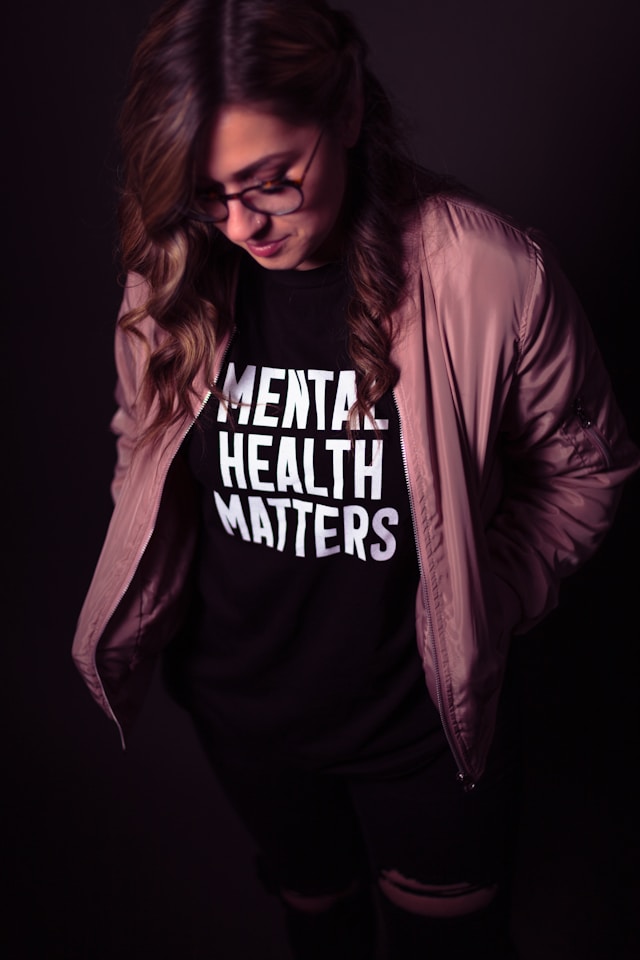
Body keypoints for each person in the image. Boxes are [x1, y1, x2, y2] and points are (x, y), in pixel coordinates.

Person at [72, 0, 639, 957]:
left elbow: (589, 470)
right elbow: (140, 438)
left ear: (343, 112)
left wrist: (487, 599)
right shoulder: (173, 276)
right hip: (241, 715)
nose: (243, 224)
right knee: (319, 932)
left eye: (272, 182)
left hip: (422, 732)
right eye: (210, 194)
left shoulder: (486, 273)